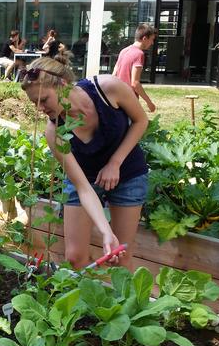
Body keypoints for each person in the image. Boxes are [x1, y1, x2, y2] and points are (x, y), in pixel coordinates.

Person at [19, 55, 149, 270]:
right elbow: (83, 187)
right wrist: (106, 232)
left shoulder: (108, 89)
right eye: (35, 103)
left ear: (62, 85)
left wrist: (115, 162)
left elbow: (141, 120)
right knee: (75, 257)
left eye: (44, 100)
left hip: (127, 173)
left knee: (122, 257)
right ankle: (89, 301)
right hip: (85, 179)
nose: (40, 109)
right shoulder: (54, 132)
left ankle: (121, 303)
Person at [113, 23, 157, 112]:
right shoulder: (139, 54)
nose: (152, 43)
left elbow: (114, 74)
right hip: (128, 98)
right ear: (144, 38)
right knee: (141, 122)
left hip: (116, 97)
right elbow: (135, 83)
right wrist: (149, 102)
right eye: (152, 40)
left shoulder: (124, 51)